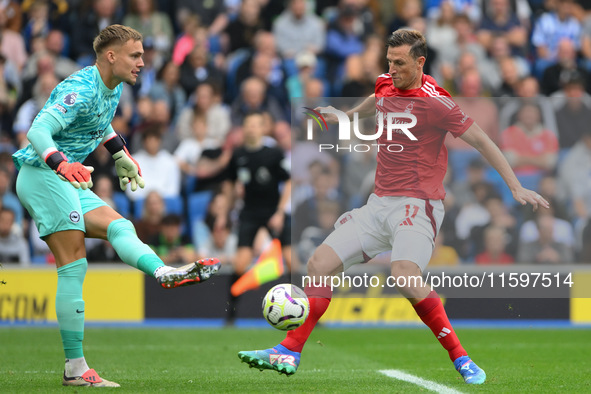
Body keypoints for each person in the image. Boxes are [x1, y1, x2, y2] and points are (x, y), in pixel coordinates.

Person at [238, 29, 548, 385]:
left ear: (420, 62)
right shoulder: (387, 82)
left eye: (400, 63)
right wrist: (348, 116)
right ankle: (289, 351)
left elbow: (481, 140)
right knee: (318, 263)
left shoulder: (436, 102)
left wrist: (514, 184)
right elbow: (376, 99)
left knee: (404, 275)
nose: (393, 69)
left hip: (418, 205)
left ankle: (460, 357)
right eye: (389, 62)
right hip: (378, 203)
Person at [11, 25, 220, 388]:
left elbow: (101, 123)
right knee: (74, 264)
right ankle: (75, 368)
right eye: (135, 56)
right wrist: (61, 163)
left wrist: (121, 154)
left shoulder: (114, 85)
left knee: (119, 225)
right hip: (43, 175)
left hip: (67, 178)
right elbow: (37, 132)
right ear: (112, 56)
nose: (142, 62)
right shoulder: (79, 89)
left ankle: (162, 273)